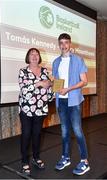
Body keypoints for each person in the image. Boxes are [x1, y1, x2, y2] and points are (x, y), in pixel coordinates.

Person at [52, 33, 90, 175]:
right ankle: (65, 157)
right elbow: (56, 81)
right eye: (61, 43)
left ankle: (85, 161)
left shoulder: (78, 60)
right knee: (64, 131)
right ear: (59, 44)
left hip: (73, 100)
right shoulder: (56, 62)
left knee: (77, 130)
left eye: (66, 42)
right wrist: (55, 89)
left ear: (70, 44)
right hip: (61, 100)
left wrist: (68, 89)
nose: (63, 45)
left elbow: (84, 81)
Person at [18, 48, 53, 175]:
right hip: (26, 109)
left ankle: (36, 158)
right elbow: (24, 91)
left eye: (36, 54)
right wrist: (39, 84)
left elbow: (49, 92)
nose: (34, 56)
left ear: (39, 57)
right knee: (26, 134)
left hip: (40, 108)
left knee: (37, 134)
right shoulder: (23, 71)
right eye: (32, 54)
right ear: (28, 57)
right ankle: (24, 161)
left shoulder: (45, 71)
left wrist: (51, 87)